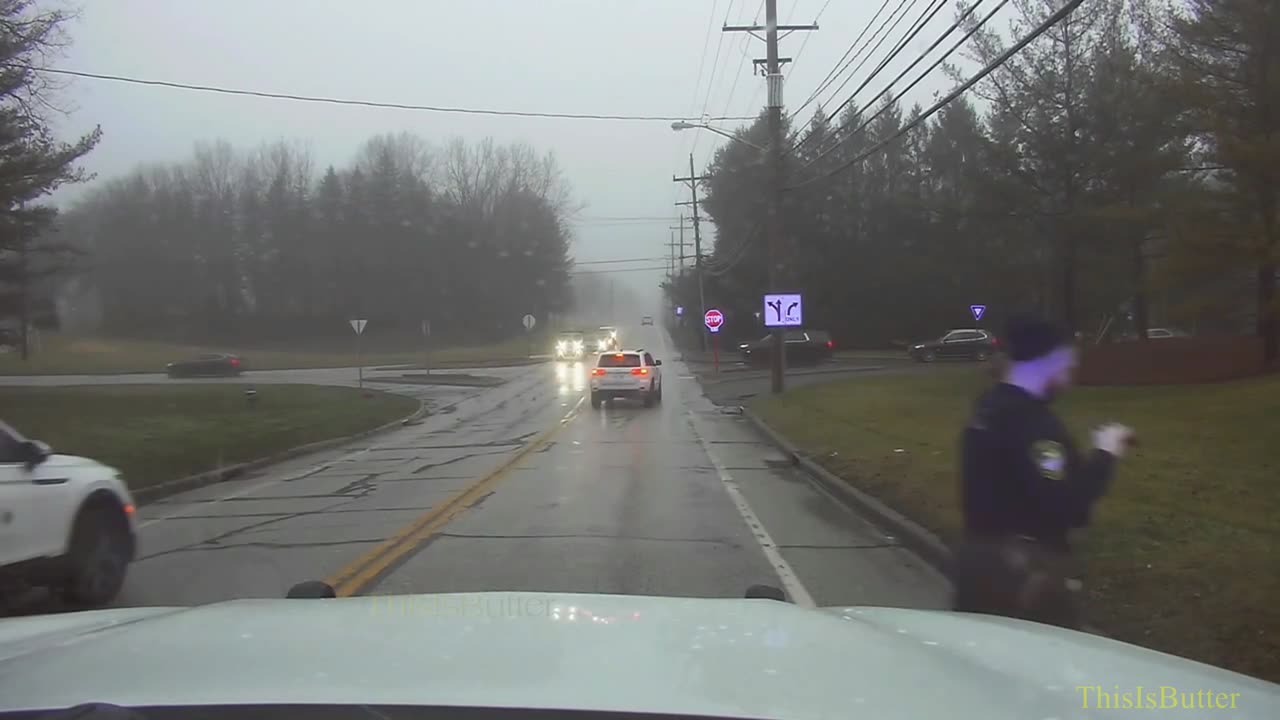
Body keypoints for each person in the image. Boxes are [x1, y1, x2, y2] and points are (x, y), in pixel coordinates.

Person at [951, 313, 1135, 629]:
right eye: (1067, 366)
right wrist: (1106, 453)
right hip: (1023, 575)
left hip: (976, 561)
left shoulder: (988, 408)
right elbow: (1067, 506)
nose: (1070, 376)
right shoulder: (1034, 427)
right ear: (1048, 361)